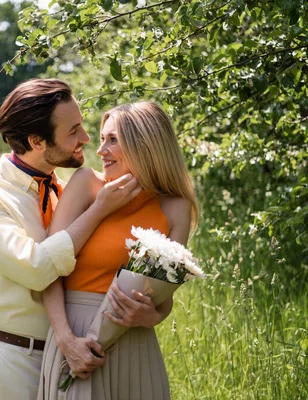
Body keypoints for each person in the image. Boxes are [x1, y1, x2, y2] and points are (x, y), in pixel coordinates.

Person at [0, 79, 142, 400]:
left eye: (82, 126)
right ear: (36, 140)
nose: (86, 139)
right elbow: (38, 268)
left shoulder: (67, 192)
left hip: (69, 359)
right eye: (73, 131)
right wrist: (97, 211)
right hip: (12, 361)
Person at [38, 102, 199, 400]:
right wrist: (66, 340)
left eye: (112, 140)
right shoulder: (86, 184)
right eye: (102, 139)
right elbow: (49, 268)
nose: (100, 150)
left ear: (145, 144)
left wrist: (151, 316)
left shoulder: (176, 207)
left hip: (135, 344)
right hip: (76, 338)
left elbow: (165, 298)